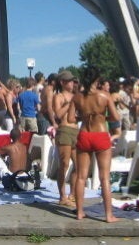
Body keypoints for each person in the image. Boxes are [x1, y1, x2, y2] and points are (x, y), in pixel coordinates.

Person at [67, 67, 120, 223]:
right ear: (97, 80)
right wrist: (103, 118)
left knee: (81, 176)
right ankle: (109, 215)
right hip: (101, 134)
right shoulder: (104, 96)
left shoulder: (77, 97)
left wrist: (83, 116)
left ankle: (80, 212)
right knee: (104, 177)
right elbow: (116, 117)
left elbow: (70, 119)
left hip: (85, 134)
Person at [53, 70, 78, 207]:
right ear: (62, 83)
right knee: (64, 164)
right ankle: (62, 196)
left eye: (73, 81)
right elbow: (58, 114)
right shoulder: (59, 96)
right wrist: (70, 103)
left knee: (79, 165)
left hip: (76, 130)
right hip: (64, 130)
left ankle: (73, 194)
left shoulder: (75, 95)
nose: (72, 83)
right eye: (70, 81)